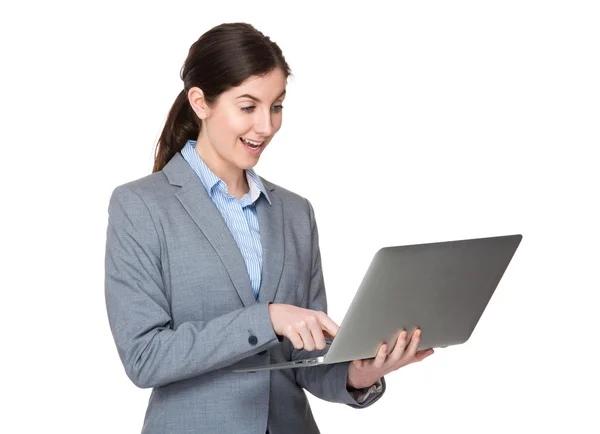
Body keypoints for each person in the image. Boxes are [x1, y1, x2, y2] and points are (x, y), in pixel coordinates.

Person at [104, 22, 434, 434]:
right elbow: (144, 357)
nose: (266, 126)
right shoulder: (141, 206)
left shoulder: (295, 212)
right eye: (248, 107)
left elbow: (304, 361)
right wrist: (267, 318)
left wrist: (357, 375)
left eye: (276, 106)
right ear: (200, 102)